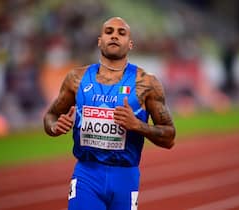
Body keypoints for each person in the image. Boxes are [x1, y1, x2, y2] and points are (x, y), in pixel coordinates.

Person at [43, 17, 176, 210]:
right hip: (87, 174)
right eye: (109, 31)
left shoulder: (147, 84)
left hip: (125, 177)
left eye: (121, 33)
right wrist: (55, 127)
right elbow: (50, 116)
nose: (114, 35)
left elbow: (170, 137)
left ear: (130, 44)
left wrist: (137, 125)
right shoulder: (76, 79)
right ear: (99, 40)